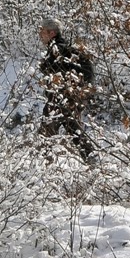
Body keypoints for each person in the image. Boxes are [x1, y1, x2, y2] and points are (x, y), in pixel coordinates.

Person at [38, 16, 95, 162]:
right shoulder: (66, 49)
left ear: (52, 33)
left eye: (43, 31)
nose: (40, 35)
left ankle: (42, 163)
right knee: (71, 126)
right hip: (72, 95)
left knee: (47, 129)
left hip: (61, 96)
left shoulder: (57, 50)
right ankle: (90, 157)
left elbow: (56, 74)